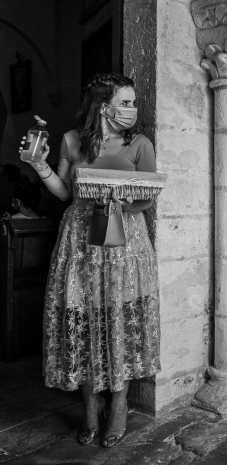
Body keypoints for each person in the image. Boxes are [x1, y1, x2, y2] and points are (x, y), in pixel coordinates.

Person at [19, 73, 160, 448]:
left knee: (119, 316)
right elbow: (65, 191)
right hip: (79, 238)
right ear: (103, 104)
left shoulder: (140, 143)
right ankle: (89, 406)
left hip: (124, 239)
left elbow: (149, 196)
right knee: (81, 316)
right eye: (126, 102)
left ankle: (118, 403)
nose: (133, 109)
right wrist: (39, 166)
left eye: (132, 103)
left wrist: (126, 203)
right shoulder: (70, 140)